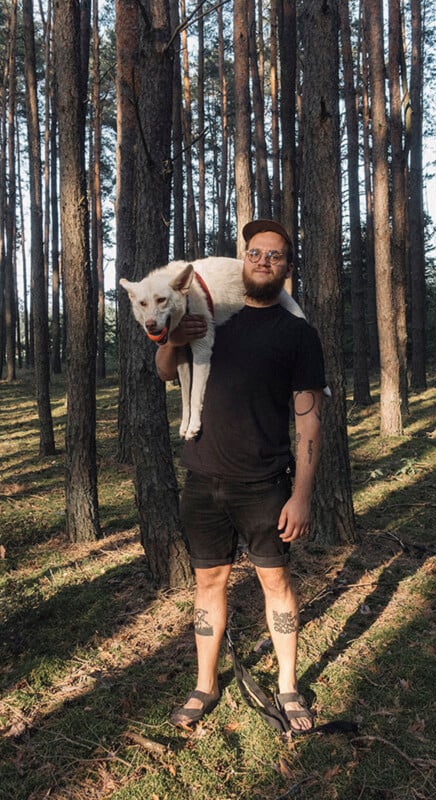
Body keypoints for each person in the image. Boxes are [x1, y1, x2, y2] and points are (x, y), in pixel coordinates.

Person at [155, 219, 325, 733]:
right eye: (255, 252)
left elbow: (309, 418)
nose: (263, 261)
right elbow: (165, 370)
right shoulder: (209, 315)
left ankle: (288, 685)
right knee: (209, 581)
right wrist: (172, 340)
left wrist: (301, 495)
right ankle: (205, 684)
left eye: (275, 255)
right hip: (202, 480)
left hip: (264, 484)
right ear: (243, 260)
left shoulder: (297, 334)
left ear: (288, 267)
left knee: (276, 581)